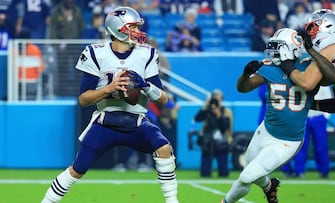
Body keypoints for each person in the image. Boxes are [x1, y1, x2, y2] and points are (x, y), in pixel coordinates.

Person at [41, 6, 179, 203]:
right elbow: (84, 99)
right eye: (132, 27)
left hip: (137, 122)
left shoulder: (146, 54)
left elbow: (163, 99)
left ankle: (172, 201)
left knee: (164, 149)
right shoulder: (96, 53)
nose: (138, 32)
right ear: (118, 29)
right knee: (77, 169)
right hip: (106, 122)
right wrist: (109, 88)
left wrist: (147, 86)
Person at [220, 27, 335, 203]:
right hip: (266, 130)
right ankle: (269, 187)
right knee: (252, 169)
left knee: (247, 175)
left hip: (288, 140)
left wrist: (312, 52)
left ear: (292, 47)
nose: (273, 50)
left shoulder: (308, 67)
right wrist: (245, 74)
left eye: (278, 46)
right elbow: (242, 88)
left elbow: (330, 77)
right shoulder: (269, 67)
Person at [277, 9, 335, 203]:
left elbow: (306, 82)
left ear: (328, 25)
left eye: (312, 28)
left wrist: (286, 64)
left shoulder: (331, 44)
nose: (309, 33)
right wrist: (308, 104)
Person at [281, 86, 332, 179]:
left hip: (319, 117)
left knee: (321, 145)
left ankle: (324, 171)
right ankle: (299, 171)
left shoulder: (324, 83)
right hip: (303, 117)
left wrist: (325, 116)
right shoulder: (302, 81)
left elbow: (329, 98)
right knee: (301, 145)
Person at [194, 89, 233, 177]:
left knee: (224, 173)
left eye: (217, 98)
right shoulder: (207, 110)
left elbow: (225, 127)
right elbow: (197, 119)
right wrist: (205, 106)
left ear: (221, 99)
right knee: (205, 173)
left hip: (221, 142)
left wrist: (219, 115)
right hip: (208, 141)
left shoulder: (226, 111)